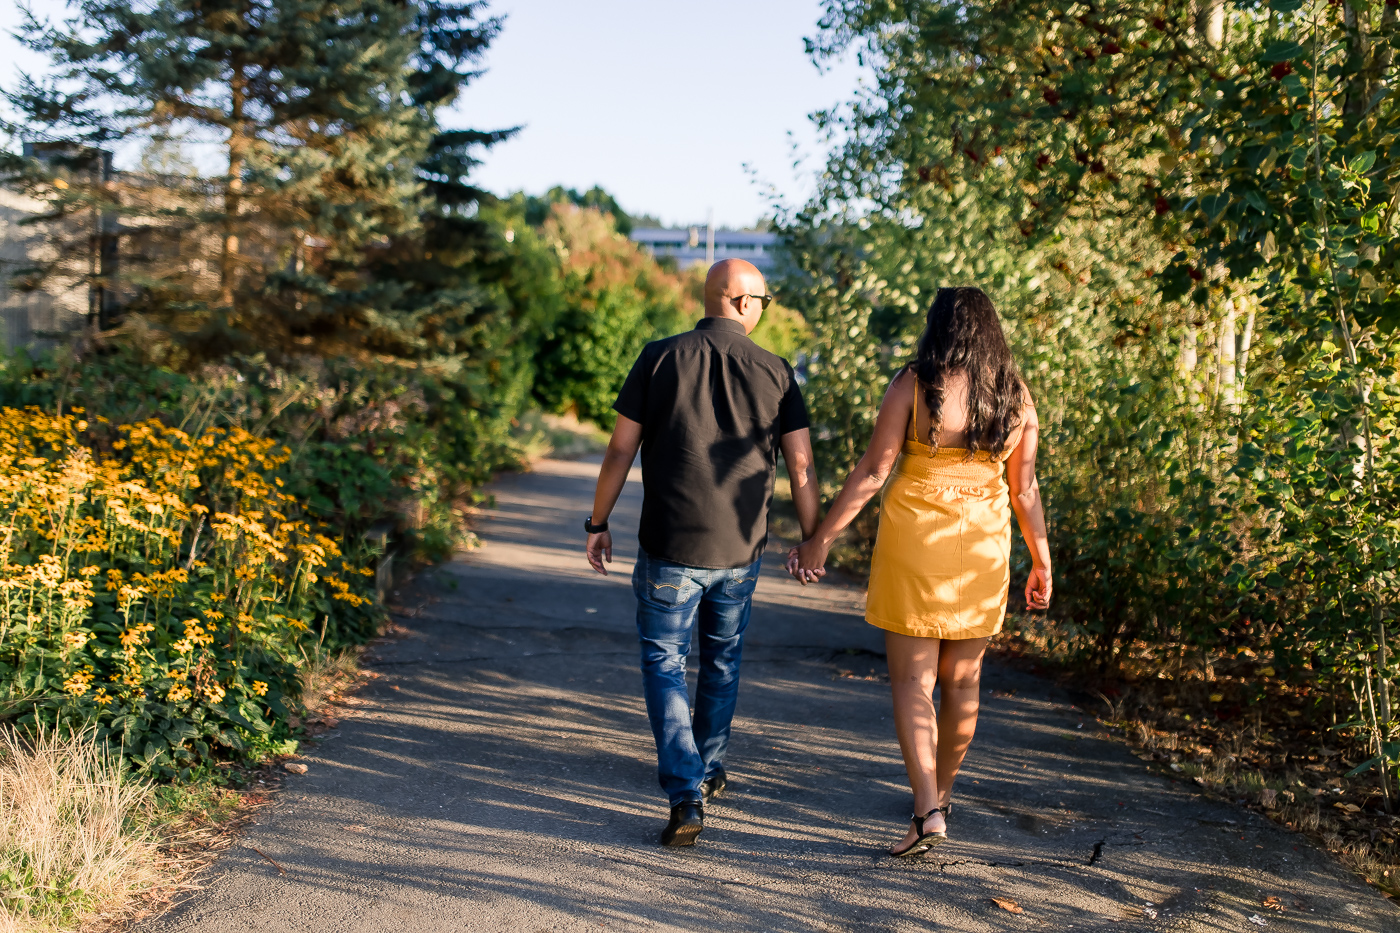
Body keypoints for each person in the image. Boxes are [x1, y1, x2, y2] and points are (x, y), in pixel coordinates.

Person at [788, 286, 1052, 857]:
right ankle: (940, 798)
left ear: (937, 327)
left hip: (916, 541)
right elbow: (1024, 488)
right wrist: (1041, 558)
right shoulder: (1017, 395)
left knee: (914, 682)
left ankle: (928, 808)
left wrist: (821, 539)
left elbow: (874, 469)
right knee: (963, 683)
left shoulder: (915, 383)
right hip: (983, 546)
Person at [585, 258, 821, 847]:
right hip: (740, 550)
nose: (764, 309)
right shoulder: (777, 372)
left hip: (668, 543)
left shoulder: (659, 357)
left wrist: (598, 521)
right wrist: (813, 539)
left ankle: (686, 790)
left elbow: (619, 452)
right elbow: (801, 465)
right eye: (762, 300)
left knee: (664, 662)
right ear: (739, 301)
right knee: (721, 660)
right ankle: (708, 768)